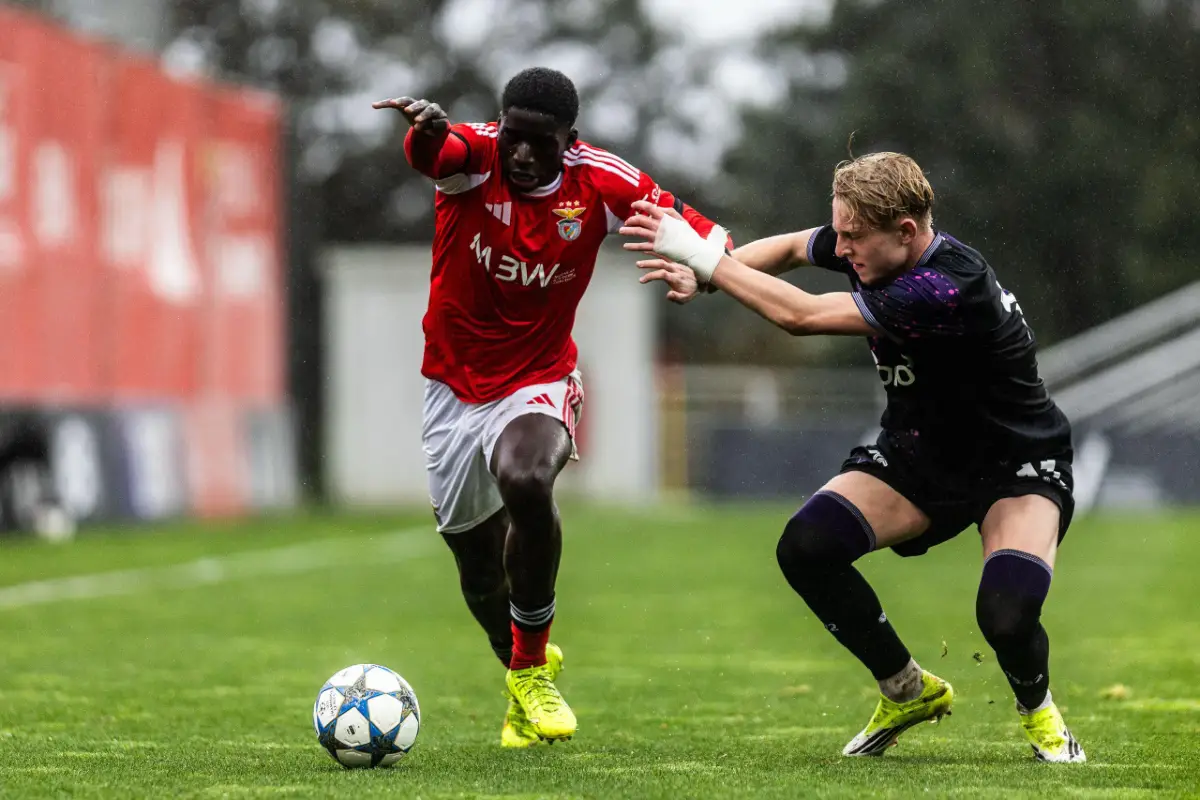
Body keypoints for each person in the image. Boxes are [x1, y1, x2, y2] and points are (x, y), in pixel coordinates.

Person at [620, 151, 1086, 763]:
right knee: (806, 548)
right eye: (837, 231)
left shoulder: (945, 286)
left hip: (1014, 464)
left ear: (907, 233)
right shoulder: (868, 242)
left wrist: (705, 257)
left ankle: (1040, 716)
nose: (841, 248)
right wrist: (709, 278)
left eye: (853, 237)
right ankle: (905, 690)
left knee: (1004, 615)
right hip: (919, 456)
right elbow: (789, 248)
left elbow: (800, 315)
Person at [373, 67, 729, 748]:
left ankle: (533, 670)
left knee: (527, 478)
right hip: (451, 387)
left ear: (571, 140)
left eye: (541, 142)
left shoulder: (602, 182)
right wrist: (424, 135)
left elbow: (711, 238)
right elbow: (434, 157)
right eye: (514, 136)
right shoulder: (475, 157)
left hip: (538, 377)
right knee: (479, 578)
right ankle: (520, 678)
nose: (522, 154)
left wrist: (701, 270)